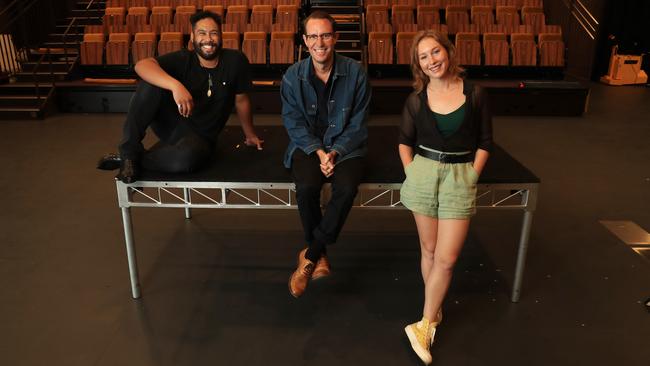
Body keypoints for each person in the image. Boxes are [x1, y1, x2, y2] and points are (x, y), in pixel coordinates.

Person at [399, 30, 492, 364]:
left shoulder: (476, 94)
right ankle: (433, 312)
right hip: (424, 173)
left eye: (435, 52)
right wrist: (412, 172)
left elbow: (484, 141)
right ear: (419, 65)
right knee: (429, 249)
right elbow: (404, 142)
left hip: (459, 176)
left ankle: (423, 324)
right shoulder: (416, 100)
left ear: (448, 52)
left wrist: (472, 174)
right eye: (423, 57)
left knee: (447, 258)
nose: (431, 61)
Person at [100, 10, 263, 182]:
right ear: (192, 37)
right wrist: (175, 85)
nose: (208, 39)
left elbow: (241, 99)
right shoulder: (183, 58)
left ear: (221, 36)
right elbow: (142, 65)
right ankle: (129, 151)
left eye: (213, 33)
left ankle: (131, 159)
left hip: (201, 136)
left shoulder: (236, 61)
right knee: (150, 82)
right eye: (202, 33)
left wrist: (250, 134)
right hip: (171, 125)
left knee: (185, 161)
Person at [281, 11, 371, 298]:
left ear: (336, 38)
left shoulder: (356, 72)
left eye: (326, 35)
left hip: (346, 146)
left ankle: (311, 255)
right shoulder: (293, 76)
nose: (320, 42)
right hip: (308, 146)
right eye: (313, 36)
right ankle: (317, 256)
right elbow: (293, 123)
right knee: (307, 186)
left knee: (345, 188)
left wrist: (334, 152)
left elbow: (358, 124)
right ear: (305, 40)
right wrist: (320, 152)